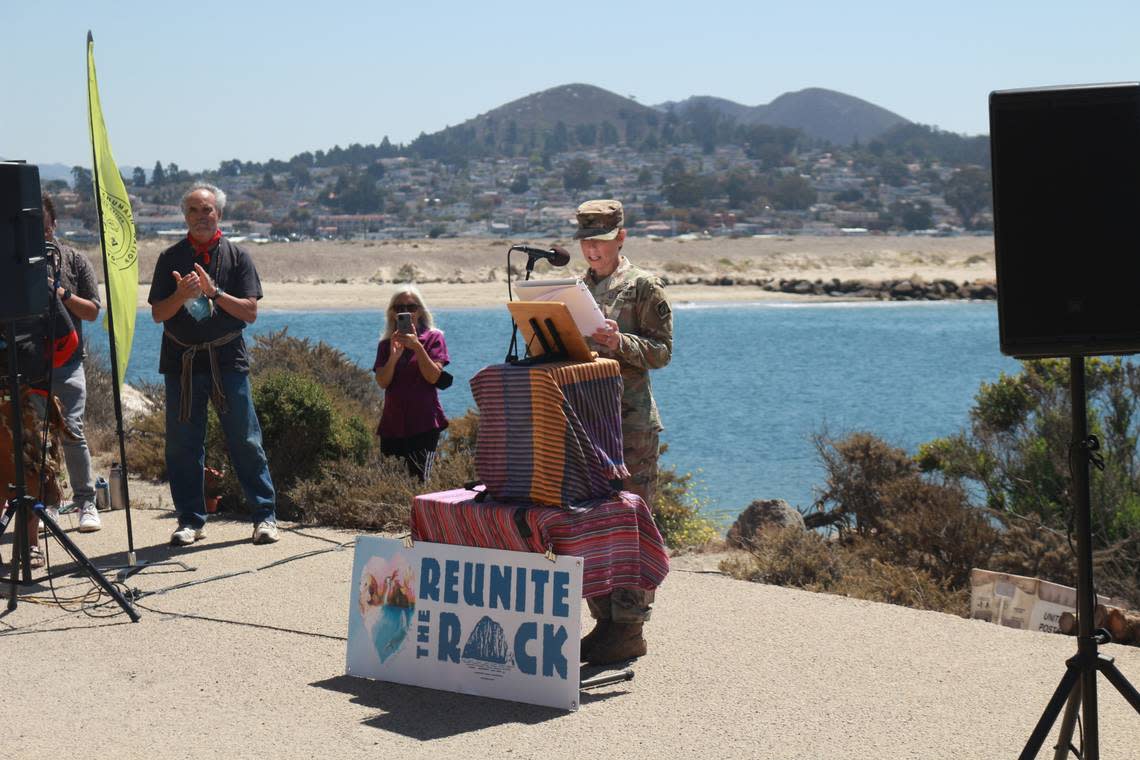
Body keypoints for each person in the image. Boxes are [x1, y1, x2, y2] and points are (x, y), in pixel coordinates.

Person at [148, 183, 279, 546]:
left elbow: (250, 313)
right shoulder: (169, 258)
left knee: (246, 440)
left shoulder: (238, 257)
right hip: (182, 364)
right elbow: (159, 313)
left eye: (207, 210)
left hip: (227, 361)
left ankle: (265, 516)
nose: (201, 216)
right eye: (193, 210)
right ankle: (190, 520)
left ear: (219, 214)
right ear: (184, 216)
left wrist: (213, 293)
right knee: (182, 445)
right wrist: (181, 295)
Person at [575, 198, 673, 665]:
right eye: (585, 241)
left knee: (632, 522)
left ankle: (630, 627)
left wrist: (620, 342)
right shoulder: (575, 290)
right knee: (594, 524)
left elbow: (662, 352)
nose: (592, 250)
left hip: (629, 424)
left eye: (600, 240)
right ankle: (605, 622)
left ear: (620, 237)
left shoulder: (641, 286)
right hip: (586, 423)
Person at [42, 193, 103, 533]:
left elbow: (94, 311)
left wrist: (61, 293)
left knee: (72, 432)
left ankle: (87, 502)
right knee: (34, 442)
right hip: (27, 366)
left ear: (54, 225)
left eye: (44, 226)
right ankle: (49, 503)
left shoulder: (75, 260)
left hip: (67, 364)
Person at [373, 286, 450, 481]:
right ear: (392, 313)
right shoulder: (386, 344)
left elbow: (433, 376)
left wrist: (417, 346)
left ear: (420, 311)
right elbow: (382, 382)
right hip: (393, 425)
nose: (405, 312)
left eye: (411, 307)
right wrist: (394, 356)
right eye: (399, 308)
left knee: (421, 482)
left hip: (424, 424)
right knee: (391, 483)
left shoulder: (434, 338)